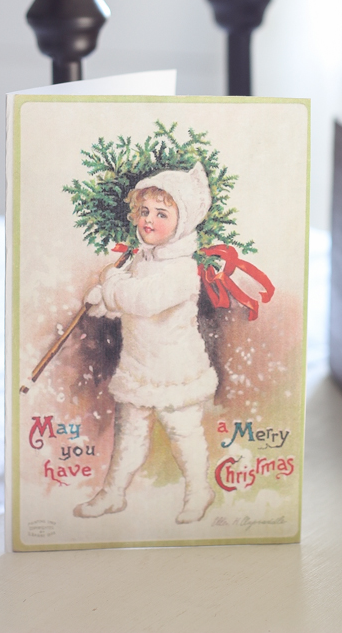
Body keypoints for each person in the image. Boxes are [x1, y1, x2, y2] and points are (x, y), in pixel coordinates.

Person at [74, 163, 217, 524]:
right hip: (139, 364)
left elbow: (143, 301)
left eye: (161, 214)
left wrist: (111, 283)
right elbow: (125, 302)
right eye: (144, 211)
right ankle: (113, 493)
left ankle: (199, 490)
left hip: (174, 368)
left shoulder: (181, 269)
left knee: (183, 432)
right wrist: (103, 300)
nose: (148, 220)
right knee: (129, 433)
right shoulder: (142, 259)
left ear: (182, 222)